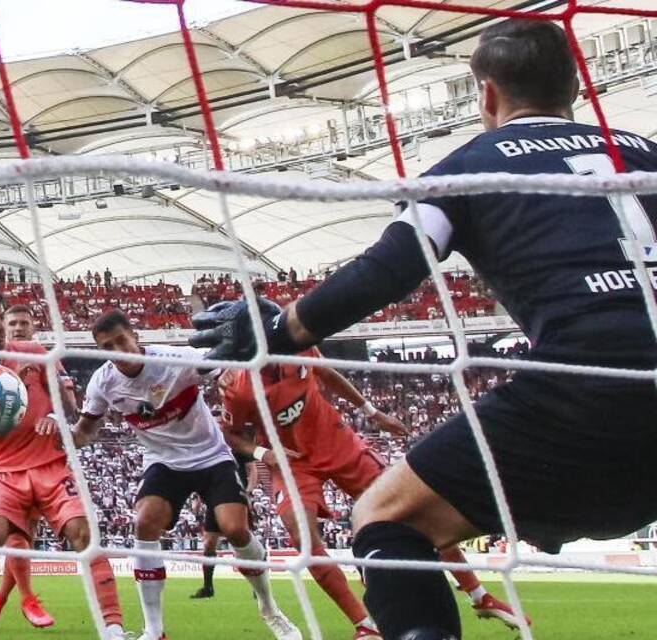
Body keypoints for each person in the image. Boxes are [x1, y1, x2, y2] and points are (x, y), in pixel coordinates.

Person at [190, 20, 657, 640]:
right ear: (575, 84)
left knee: (384, 518)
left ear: (486, 95)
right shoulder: (646, 154)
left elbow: (386, 271)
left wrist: (278, 329)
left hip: (581, 392)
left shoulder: (466, 170)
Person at [219, 347, 527, 640]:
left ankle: (480, 595)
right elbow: (230, 433)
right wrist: (262, 453)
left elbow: (327, 373)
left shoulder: (297, 348)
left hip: (337, 444)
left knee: (412, 511)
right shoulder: (237, 386)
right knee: (304, 542)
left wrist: (372, 411)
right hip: (290, 461)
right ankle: (365, 625)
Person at [63, 309, 300, 640]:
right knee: (144, 522)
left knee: (235, 530)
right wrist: (61, 430)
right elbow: (85, 431)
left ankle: (269, 608)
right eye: (108, 347)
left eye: (121, 341)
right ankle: (154, 630)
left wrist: (227, 378)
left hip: (211, 457)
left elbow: (222, 370)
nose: (118, 351)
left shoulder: (176, 358)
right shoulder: (103, 383)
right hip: (164, 462)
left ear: (136, 336)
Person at [0, 290, 124, 640]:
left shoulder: (34, 352)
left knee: (85, 537)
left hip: (52, 464)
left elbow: (70, 408)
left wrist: (53, 415)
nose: (1, 326)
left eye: (2, 317)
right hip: (4, 471)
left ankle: (114, 628)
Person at [0, 303, 77, 631]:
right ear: (3, 326)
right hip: (8, 463)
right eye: (13, 322)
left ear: (33, 326)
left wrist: (54, 416)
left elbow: (69, 400)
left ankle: (0, 600)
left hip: (45, 457)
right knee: (16, 535)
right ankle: (24, 598)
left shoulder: (42, 356)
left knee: (25, 536)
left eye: (24, 322)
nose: (18, 327)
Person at [189, 445, 254, 600]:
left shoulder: (236, 448)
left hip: (236, 498)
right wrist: (198, 498)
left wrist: (248, 492)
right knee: (209, 543)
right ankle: (208, 587)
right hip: (215, 500)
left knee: (244, 544)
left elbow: (253, 470)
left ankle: (257, 587)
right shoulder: (211, 448)